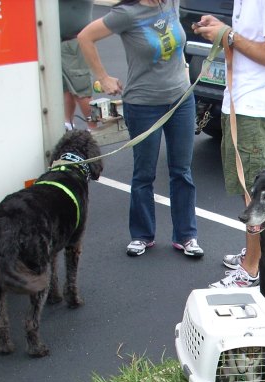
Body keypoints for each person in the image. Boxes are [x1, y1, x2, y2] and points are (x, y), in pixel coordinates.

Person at [78, 0, 204, 258]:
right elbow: (85, 37)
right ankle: (142, 235)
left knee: (182, 171)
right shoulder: (127, 13)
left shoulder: (170, 3)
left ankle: (186, 236)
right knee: (144, 173)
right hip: (144, 104)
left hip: (181, 99)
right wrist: (103, 77)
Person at [193, 0, 265, 287]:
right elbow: (251, 37)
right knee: (248, 190)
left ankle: (253, 269)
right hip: (243, 103)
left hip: (255, 107)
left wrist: (228, 35)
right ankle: (254, 255)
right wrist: (223, 30)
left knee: (257, 196)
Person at [59, 0, 97, 131]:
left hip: (74, 42)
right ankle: (68, 124)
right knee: (66, 88)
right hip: (60, 41)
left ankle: (93, 129)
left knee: (82, 89)